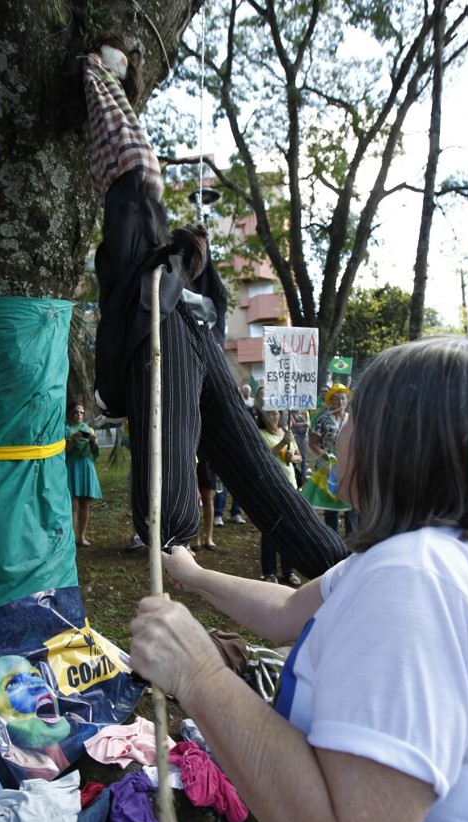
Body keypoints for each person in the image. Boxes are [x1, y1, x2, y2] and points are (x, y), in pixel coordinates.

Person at [130, 336, 468, 822]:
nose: (337, 431)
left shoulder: (418, 582)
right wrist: (197, 577)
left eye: (352, 415)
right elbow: (292, 608)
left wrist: (200, 675)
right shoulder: (435, 558)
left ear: (398, 439)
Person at [83, 41, 346, 580]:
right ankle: (178, 555)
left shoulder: (160, 245)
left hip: (198, 344)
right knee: (176, 492)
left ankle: (337, 567)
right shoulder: (135, 216)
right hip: (167, 344)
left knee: (260, 473)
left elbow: (206, 296)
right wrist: (101, 73)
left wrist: (194, 256)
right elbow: (133, 157)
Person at [257, 408, 302, 585]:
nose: (272, 416)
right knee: (270, 530)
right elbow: (263, 456)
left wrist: (293, 457)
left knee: (290, 529)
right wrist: (283, 443)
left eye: (275, 413)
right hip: (271, 487)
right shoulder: (260, 433)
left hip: (291, 485)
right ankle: (269, 572)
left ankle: (289, 570)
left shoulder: (286, 432)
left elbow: (298, 457)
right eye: (268, 413)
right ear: (261, 416)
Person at [307, 382, 353, 534]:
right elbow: (312, 443)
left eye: (342, 398)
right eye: (335, 399)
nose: (339, 402)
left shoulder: (351, 419)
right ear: (330, 401)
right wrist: (322, 454)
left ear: (346, 400)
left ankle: (352, 541)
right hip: (329, 468)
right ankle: (333, 539)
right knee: (331, 505)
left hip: (348, 467)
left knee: (351, 503)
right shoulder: (324, 419)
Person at [64, 400, 102, 546]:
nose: (79, 415)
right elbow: (63, 452)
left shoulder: (87, 429)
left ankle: (82, 536)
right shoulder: (65, 429)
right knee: (72, 504)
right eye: (76, 412)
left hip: (86, 466)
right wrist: (73, 441)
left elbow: (95, 453)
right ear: (70, 413)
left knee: (85, 504)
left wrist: (93, 442)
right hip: (72, 466)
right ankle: (71, 537)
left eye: (81, 412)